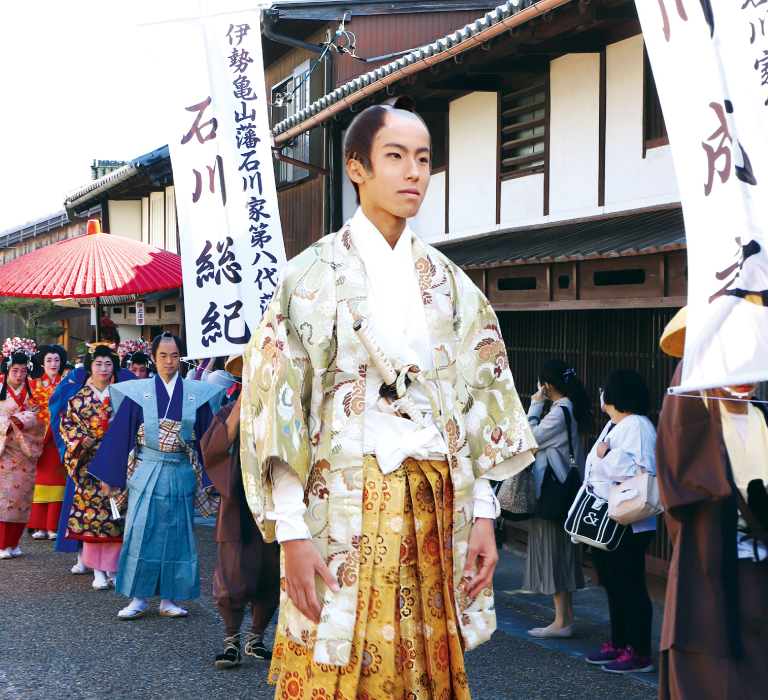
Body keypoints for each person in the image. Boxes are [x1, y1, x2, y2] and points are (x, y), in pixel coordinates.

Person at [242, 96, 536, 698]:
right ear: (357, 167)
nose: (413, 173)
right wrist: (292, 529)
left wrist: (486, 514)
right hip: (342, 500)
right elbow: (281, 408)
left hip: (434, 496)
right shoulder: (310, 277)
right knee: (332, 651)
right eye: (395, 157)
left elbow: (478, 401)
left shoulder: (452, 285)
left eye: (424, 160)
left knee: (424, 658)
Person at [655, 311, 768, 700]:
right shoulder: (694, 422)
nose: (745, 370)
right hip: (709, 577)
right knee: (715, 683)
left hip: (766, 580)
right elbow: (680, 475)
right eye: (731, 356)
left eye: (753, 357)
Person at [88, 333, 223, 620]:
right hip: (146, 470)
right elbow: (121, 433)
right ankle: (137, 598)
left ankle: (169, 598)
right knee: (140, 532)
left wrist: (214, 479)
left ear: (181, 358)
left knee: (177, 535)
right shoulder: (140, 393)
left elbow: (207, 441)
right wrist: (109, 475)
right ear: (153, 358)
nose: (169, 361)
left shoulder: (194, 394)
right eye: (163, 355)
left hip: (179, 470)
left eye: (174, 355)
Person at [202, 354, 280, 669]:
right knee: (233, 572)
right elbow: (216, 449)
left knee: (270, 572)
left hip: (274, 502)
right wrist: (243, 403)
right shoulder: (227, 410)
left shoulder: (282, 409)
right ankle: (231, 640)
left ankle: (257, 638)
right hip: (239, 504)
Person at [583, 369, 658, 674]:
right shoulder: (616, 425)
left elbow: (641, 472)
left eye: (605, 389)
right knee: (613, 585)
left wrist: (607, 453)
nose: (601, 394)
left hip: (629, 520)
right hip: (606, 517)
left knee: (629, 587)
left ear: (615, 394)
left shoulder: (638, 425)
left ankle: (640, 652)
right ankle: (620, 643)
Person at [49, 342, 136, 574]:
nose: (103, 369)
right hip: (88, 464)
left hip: (117, 463)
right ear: (90, 367)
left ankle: (112, 569)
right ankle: (96, 570)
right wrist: (79, 439)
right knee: (90, 517)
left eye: (108, 364)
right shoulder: (78, 399)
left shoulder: (123, 396)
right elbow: (66, 424)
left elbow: (133, 426)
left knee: (115, 516)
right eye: (98, 364)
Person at [524, 360, 592, 639]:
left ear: (546, 385)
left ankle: (561, 622)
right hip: (566, 492)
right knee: (562, 555)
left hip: (553, 494)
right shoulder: (570, 408)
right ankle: (566, 619)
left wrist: (535, 405)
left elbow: (528, 439)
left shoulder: (558, 412)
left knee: (552, 554)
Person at [0, 352, 47, 559]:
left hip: (25, 451)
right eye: (15, 370)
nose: (19, 374)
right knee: (2, 499)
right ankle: (1, 545)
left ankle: (14, 543)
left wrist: (22, 419)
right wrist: (6, 423)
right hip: (3, 450)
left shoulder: (34, 393)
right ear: (7, 370)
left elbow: (41, 417)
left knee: (20, 499)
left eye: (23, 371)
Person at [26, 344, 68, 540]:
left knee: (59, 481)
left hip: (60, 436)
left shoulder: (67, 383)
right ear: (42, 364)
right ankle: (39, 526)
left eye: (57, 360)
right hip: (40, 436)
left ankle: (53, 527)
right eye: (49, 360)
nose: (53, 364)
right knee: (40, 482)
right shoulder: (33, 384)